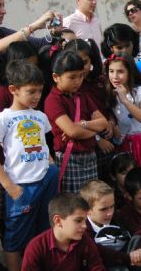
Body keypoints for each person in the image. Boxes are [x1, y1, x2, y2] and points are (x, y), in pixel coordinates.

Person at [0, 60, 59, 271]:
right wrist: (9, 186)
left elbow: (44, 145)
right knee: (15, 237)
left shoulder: (39, 116)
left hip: (44, 182)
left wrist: (49, 166)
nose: (37, 96)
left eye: (39, 91)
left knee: (43, 231)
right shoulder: (3, 118)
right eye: (31, 91)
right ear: (14, 89)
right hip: (20, 187)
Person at [44, 50, 108, 193]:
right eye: (72, 77)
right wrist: (89, 129)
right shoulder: (53, 100)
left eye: (80, 76)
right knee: (74, 206)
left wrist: (82, 125)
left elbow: (104, 123)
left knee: (91, 203)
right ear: (56, 77)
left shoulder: (81, 95)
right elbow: (72, 131)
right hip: (70, 158)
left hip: (90, 156)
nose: (78, 81)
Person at [104, 53, 141, 172]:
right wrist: (112, 123)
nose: (115, 76)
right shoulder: (110, 91)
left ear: (130, 72)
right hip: (123, 143)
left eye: (120, 72)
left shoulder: (140, 91)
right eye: (111, 71)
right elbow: (112, 112)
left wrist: (126, 101)